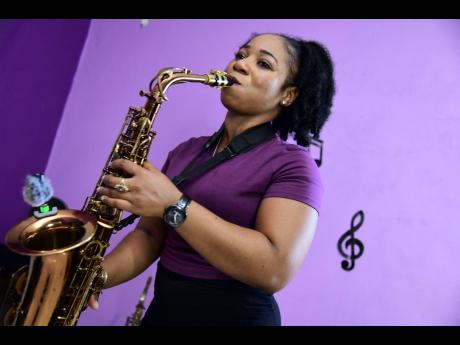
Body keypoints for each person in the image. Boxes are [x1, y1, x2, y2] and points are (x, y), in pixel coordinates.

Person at [88, 32, 336, 326]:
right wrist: (99, 276)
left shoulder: (293, 164)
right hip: (164, 313)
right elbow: (150, 236)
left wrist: (173, 204)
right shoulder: (185, 151)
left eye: (264, 64)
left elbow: (274, 269)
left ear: (288, 94)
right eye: (241, 55)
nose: (240, 65)